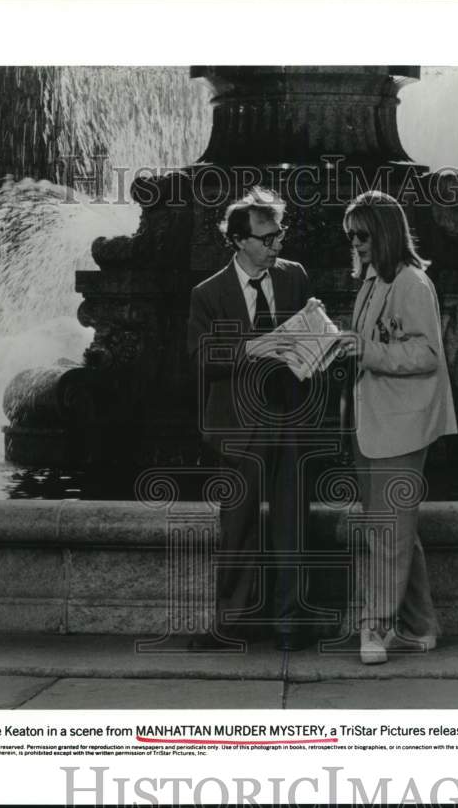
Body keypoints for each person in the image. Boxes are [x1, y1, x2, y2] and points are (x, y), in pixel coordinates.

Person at [186, 187, 315, 652]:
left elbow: (307, 331)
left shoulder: (294, 277)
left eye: (278, 233)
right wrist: (249, 349)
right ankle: (230, 624)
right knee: (237, 526)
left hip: (290, 418)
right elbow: (200, 356)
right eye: (266, 237)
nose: (276, 243)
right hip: (238, 426)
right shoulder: (209, 294)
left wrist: (322, 341)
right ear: (239, 240)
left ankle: (289, 623)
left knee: (291, 524)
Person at [337, 191, 457, 665]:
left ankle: (376, 627)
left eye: (362, 235)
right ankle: (422, 627)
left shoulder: (412, 283)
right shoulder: (372, 282)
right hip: (373, 425)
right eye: (351, 236)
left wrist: (367, 352)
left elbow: (429, 354)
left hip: (401, 428)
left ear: (385, 233)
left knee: (388, 530)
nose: (356, 244)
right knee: (395, 530)